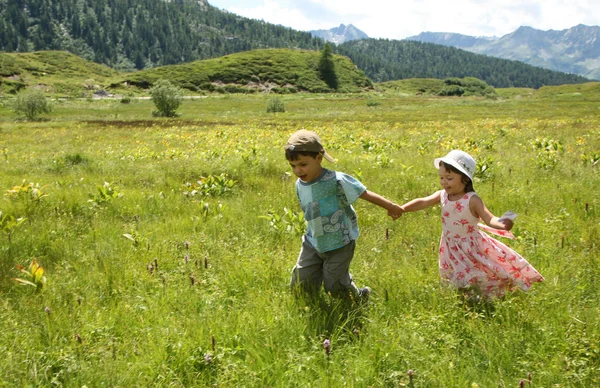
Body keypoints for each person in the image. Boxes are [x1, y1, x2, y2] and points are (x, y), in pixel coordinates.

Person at [399, 150, 543, 299]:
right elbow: (423, 201)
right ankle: (465, 299)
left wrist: (502, 224)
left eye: (449, 178)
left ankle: (487, 296)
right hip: (450, 245)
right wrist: (402, 209)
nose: (443, 182)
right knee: (455, 275)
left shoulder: (472, 200)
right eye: (441, 177)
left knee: (477, 273)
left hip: (470, 246)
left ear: (466, 179)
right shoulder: (442, 195)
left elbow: (489, 218)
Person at [284, 129, 403, 299]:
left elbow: (364, 193)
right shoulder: (299, 183)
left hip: (339, 242)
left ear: (318, 158)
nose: (298, 170)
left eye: (303, 164)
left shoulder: (336, 180)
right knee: (302, 281)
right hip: (313, 240)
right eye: (293, 166)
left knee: (334, 284)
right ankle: (310, 304)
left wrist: (390, 206)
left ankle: (359, 298)